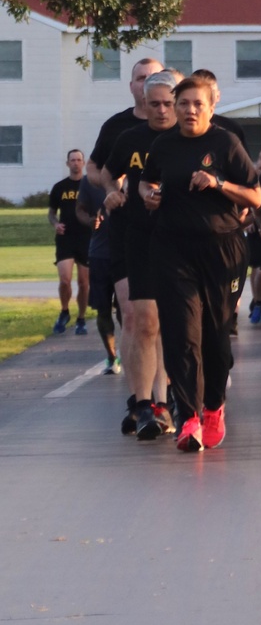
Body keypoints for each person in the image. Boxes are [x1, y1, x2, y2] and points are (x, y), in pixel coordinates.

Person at [140, 77, 261, 453]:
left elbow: (255, 195)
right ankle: (188, 415)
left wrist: (218, 182)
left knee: (215, 333)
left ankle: (213, 408)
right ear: (174, 108)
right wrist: (150, 196)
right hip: (173, 248)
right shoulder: (163, 145)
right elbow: (146, 183)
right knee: (181, 332)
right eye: (184, 104)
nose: (190, 110)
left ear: (211, 108)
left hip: (221, 249)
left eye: (197, 104)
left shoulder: (225, 143)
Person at [103, 70, 182, 439]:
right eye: (155, 104)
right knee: (144, 321)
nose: (162, 111)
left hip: (183, 239)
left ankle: (165, 401)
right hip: (140, 237)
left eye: (169, 103)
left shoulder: (193, 139)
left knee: (170, 323)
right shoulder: (130, 139)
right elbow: (107, 172)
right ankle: (144, 403)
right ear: (144, 105)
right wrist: (113, 191)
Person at [87, 58, 164, 187]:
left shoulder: (179, 126)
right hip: (127, 205)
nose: (147, 83)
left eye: (154, 78)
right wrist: (112, 187)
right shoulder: (114, 126)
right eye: (141, 78)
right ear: (131, 86)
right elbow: (92, 166)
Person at [75, 176, 120, 373]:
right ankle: (112, 356)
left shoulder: (136, 176)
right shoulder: (90, 182)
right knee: (103, 310)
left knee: (128, 312)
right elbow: (80, 210)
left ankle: (134, 351)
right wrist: (90, 221)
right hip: (100, 254)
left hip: (128, 254)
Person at [49, 150, 90, 335]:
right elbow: (51, 213)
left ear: (83, 162)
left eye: (79, 160)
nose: (75, 163)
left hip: (87, 238)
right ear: (67, 163)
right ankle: (64, 311)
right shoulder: (59, 187)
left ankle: (81, 319)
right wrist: (56, 224)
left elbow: (102, 207)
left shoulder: (90, 185)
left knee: (83, 282)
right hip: (65, 238)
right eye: (72, 160)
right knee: (64, 280)